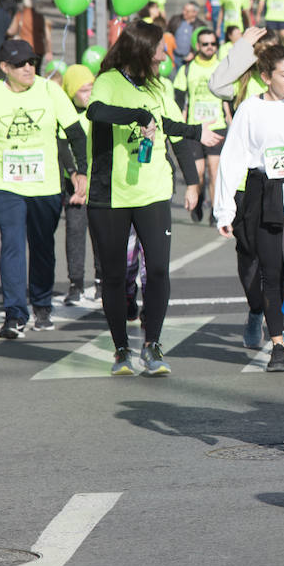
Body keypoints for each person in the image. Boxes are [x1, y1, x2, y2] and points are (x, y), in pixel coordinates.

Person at [85, 21, 223, 374]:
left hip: (154, 191)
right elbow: (96, 111)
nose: (166, 54)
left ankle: (153, 345)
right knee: (115, 276)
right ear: (142, 50)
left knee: (159, 269)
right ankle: (121, 349)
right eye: (160, 49)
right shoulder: (109, 81)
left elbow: (172, 130)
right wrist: (139, 114)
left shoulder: (159, 87)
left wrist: (192, 180)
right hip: (110, 194)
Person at [214, 44, 284, 370]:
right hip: (264, 195)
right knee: (270, 272)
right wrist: (224, 210)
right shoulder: (249, 109)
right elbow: (232, 159)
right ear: (265, 77)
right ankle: (276, 343)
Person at [0, 40, 87, 338]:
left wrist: (80, 172)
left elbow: (76, 134)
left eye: (32, 62)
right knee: (11, 242)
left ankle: (42, 304)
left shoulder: (50, 91)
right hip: (5, 184)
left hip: (46, 184)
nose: (28, 68)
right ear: (4, 68)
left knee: (42, 246)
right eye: (20, 64)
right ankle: (15, 313)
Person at [172, 28, 223, 224]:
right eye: (205, 44)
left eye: (213, 44)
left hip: (217, 125)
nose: (209, 47)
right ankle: (200, 198)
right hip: (195, 127)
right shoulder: (187, 69)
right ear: (198, 46)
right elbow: (178, 96)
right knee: (199, 172)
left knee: (214, 169)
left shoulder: (221, 67)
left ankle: (215, 210)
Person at [59, 64, 100, 305]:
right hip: (73, 183)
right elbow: (64, 147)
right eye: (83, 90)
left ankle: (101, 281)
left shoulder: (97, 112)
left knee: (101, 233)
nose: (89, 95)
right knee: (75, 231)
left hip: (98, 183)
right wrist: (75, 177)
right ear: (72, 92)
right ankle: (75, 283)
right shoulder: (67, 113)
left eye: (91, 89)